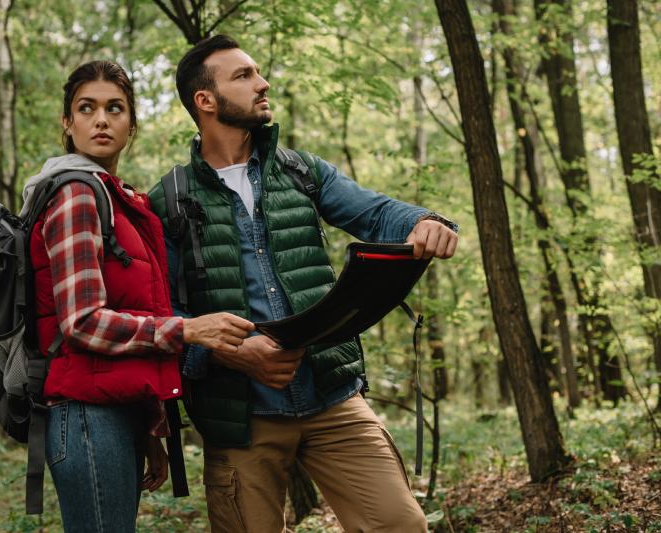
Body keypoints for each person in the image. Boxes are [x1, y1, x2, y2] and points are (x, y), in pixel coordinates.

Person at [148, 36, 458, 533]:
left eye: (258, 72)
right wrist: (234, 352)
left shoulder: (300, 171)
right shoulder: (168, 200)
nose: (262, 82)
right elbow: (163, 316)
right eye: (243, 76)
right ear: (204, 100)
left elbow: (377, 212)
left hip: (332, 396)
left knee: (402, 525)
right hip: (239, 418)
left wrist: (423, 221)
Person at [21, 60, 254, 533]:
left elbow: (129, 318)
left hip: (113, 412)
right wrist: (189, 329)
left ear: (132, 124)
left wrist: (151, 423)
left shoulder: (116, 198)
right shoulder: (77, 195)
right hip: (87, 418)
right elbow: (83, 322)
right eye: (86, 109)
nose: (101, 120)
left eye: (115, 108)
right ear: (67, 124)